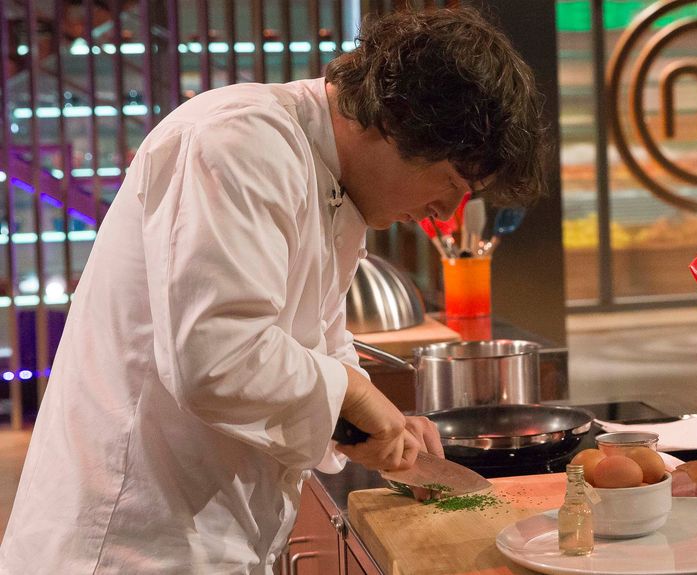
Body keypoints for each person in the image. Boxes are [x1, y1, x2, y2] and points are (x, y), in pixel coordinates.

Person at [0, 8, 546, 574]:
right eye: (450, 184)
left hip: (211, 535)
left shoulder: (333, 179)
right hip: (130, 544)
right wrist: (353, 397)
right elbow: (216, 356)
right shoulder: (240, 141)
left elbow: (310, 339)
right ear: (395, 124)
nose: (446, 211)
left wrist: (375, 428)